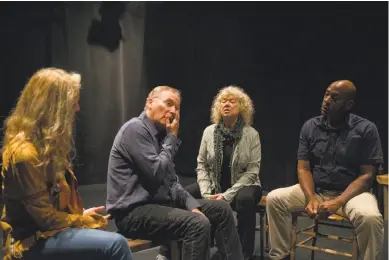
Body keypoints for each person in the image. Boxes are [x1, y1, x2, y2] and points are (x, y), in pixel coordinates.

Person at [1, 68, 132, 260]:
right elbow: (45, 220)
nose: (77, 108)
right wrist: (83, 221)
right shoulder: (25, 153)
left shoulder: (45, 146)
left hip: (47, 234)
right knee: (115, 244)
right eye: (73, 102)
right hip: (29, 242)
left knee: (105, 243)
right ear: (52, 106)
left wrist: (79, 216)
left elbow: (48, 209)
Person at [106, 86, 244, 260]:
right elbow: (156, 172)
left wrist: (192, 206)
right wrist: (172, 137)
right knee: (197, 224)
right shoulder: (135, 129)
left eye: (177, 108)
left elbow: (171, 182)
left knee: (221, 209)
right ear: (149, 102)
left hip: (158, 206)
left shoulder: (161, 135)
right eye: (168, 103)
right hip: (132, 212)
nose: (173, 111)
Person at [266, 80, 384, 260]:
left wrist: (338, 201)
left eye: (334, 98)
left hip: (351, 195)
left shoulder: (366, 129)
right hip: (318, 191)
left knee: (370, 218)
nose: (327, 100)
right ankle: (279, 256)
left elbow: (367, 175)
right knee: (275, 199)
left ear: (348, 104)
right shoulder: (310, 127)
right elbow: (304, 168)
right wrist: (311, 197)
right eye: (326, 94)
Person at [183, 85, 262, 260]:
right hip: (213, 183)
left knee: (245, 199)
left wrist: (227, 195)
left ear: (241, 107)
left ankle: (243, 252)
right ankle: (192, 246)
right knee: (184, 195)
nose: (226, 104)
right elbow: (201, 164)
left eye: (232, 101)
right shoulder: (209, 132)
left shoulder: (251, 134)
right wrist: (205, 192)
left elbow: (252, 171)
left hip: (244, 184)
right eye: (223, 101)